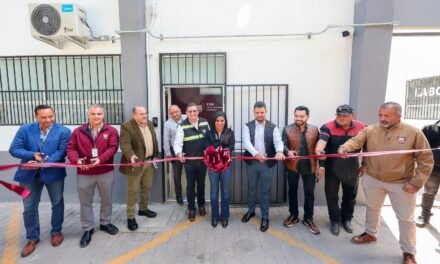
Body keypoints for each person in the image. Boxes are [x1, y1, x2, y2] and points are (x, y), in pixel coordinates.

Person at [338, 102, 434, 264]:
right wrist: (345, 147)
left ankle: (409, 252)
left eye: (387, 116)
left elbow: (426, 160)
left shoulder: (413, 133)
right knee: (373, 208)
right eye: (380, 115)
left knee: (405, 218)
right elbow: (356, 140)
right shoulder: (371, 130)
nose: (382, 118)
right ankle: (370, 233)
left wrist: (416, 183)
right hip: (373, 179)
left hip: (402, 184)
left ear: (398, 116)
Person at [9, 105, 71, 257]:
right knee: (29, 207)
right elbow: (14, 149)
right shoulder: (25, 129)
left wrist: (43, 162)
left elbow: (62, 152)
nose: (48, 120)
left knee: (57, 203)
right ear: (36, 117)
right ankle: (32, 238)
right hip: (29, 175)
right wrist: (32, 155)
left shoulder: (64, 131)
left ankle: (56, 232)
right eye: (44, 117)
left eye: (51, 116)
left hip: (53, 173)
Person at [67, 104, 119, 248]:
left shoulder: (112, 130)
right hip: (84, 173)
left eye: (99, 114)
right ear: (88, 115)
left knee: (106, 199)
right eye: (93, 114)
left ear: (104, 115)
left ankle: (105, 223)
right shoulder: (78, 131)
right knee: (85, 202)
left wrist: (100, 159)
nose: (96, 116)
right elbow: (71, 148)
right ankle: (88, 229)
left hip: (105, 171)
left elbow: (113, 148)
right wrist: (76, 160)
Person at [315, 104, 365, 236]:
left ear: (352, 116)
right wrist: (319, 151)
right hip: (332, 168)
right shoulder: (328, 127)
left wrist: (365, 164)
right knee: (331, 196)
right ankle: (334, 220)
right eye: (338, 115)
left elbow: (367, 147)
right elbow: (322, 142)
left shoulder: (362, 127)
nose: (340, 118)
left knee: (350, 196)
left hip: (352, 168)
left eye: (344, 116)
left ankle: (347, 219)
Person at [241, 101, 285, 232]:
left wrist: (279, 151)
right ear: (253, 112)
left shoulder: (273, 127)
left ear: (266, 112)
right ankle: (251, 211)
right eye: (257, 112)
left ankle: (265, 216)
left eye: (262, 112)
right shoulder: (247, 126)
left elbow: (278, 141)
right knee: (252, 188)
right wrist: (256, 154)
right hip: (252, 162)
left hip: (267, 163)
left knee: (265, 191)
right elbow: (246, 142)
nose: (259, 115)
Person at [120, 106, 159, 231]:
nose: (144, 116)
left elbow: (154, 141)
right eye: (141, 114)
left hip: (148, 162)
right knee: (133, 191)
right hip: (136, 164)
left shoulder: (149, 124)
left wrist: (156, 155)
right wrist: (131, 156)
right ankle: (130, 217)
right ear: (134, 115)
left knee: (146, 187)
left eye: (145, 113)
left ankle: (143, 209)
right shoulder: (127, 126)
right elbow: (125, 144)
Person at [282, 106, 320, 234]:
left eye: (301, 116)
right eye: (296, 116)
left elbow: (319, 147)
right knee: (292, 191)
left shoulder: (315, 130)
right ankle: (293, 215)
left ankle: (308, 218)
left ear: (307, 117)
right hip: (292, 166)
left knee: (309, 193)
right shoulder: (287, 129)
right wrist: (287, 151)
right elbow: (282, 144)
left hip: (310, 166)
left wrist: (322, 165)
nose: (298, 118)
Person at [174, 103, 210, 221]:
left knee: (201, 185)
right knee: (190, 186)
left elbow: (209, 139)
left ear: (198, 112)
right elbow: (177, 143)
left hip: (203, 161)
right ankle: (191, 209)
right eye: (190, 111)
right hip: (189, 162)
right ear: (186, 112)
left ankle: (201, 205)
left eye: (194, 111)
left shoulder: (205, 122)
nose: (193, 113)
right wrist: (179, 153)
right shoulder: (182, 126)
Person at [205, 112, 235, 228]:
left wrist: (220, 149)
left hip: (225, 166)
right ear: (214, 122)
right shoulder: (209, 133)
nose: (220, 123)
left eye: (222, 120)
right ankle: (214, 217)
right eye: (217, 120)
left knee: (225, 192)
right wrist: (218, 149)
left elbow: (232, 146)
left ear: (225, 121)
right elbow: (207, 147)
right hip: (212, 166)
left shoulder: (230, 133)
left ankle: (225, 217)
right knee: (214, 192)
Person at [416, 120, 440, 227]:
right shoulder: (429, 129)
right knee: (429, 193)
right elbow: (418, 146)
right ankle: (424, 216)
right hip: (432, 168)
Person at [163, 105, 187, 205]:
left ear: (180, 110)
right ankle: (178, 195)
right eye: (172, 113)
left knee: (191, 172)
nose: (174, 114)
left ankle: (192, 191)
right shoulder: (168, 124)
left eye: (176, 112)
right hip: (175, 151)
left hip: (189, 149)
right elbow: (166, 139)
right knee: (177, 174)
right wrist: (168, 153)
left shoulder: (187, 118)